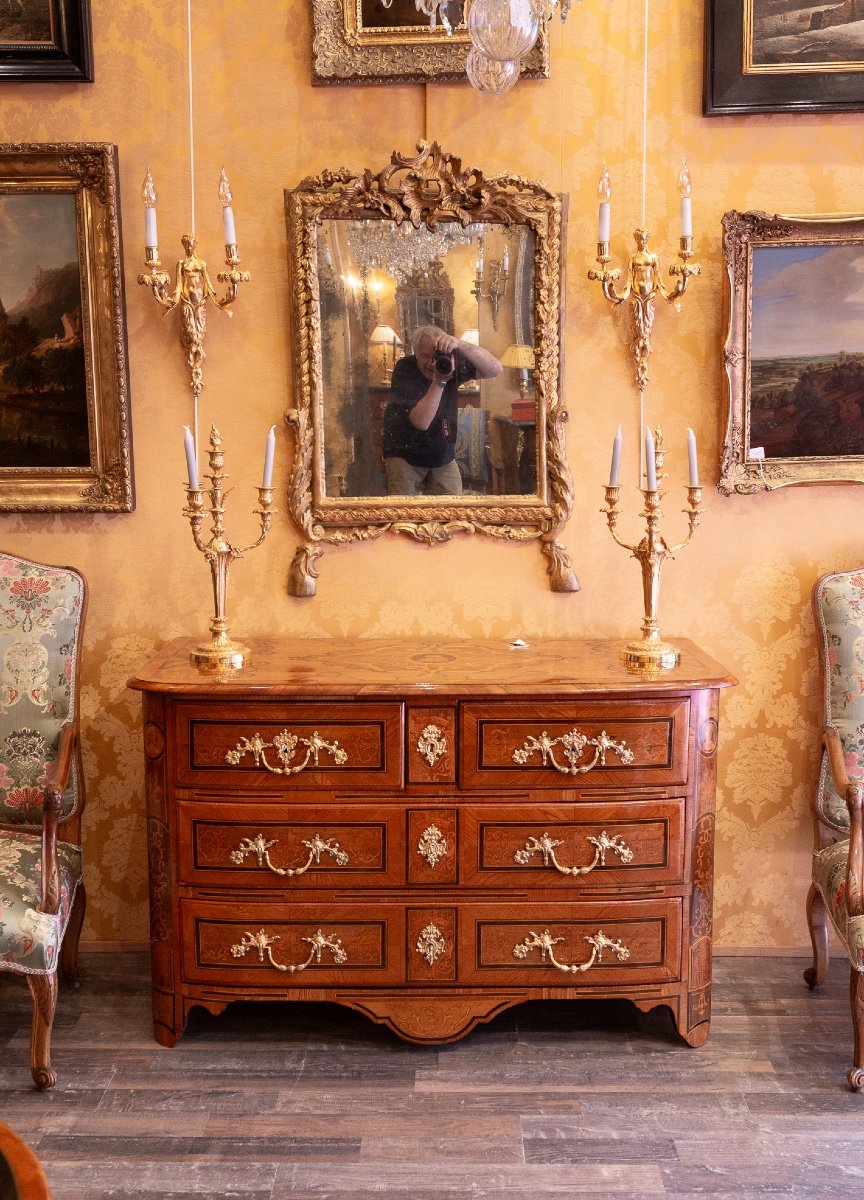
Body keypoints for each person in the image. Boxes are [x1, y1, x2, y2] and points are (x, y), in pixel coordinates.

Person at [382, 324, 502, 496]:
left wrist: (459, 344)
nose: (432, 363)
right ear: (415, 354)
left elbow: (495, 369)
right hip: (404, 454)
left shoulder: (450, 363)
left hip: (441, 454)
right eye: (425, 356)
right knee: (405, 517)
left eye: (437, 356)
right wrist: (440, 381)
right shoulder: (405, 369)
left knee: (452, 514)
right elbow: (421, 422)